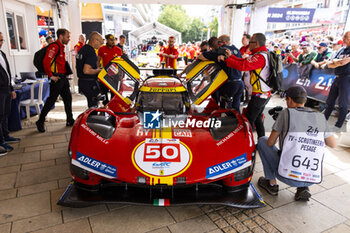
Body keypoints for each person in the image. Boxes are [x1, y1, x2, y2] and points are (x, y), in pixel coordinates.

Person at [257, 86, 337, 201]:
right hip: (311, 178)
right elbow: (333, 144)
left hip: (287, 175)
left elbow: (270, 143)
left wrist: (280, 126)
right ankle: (303, 188)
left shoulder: (286, 113)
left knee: (262, 141)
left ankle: (271, 184)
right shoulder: (319, 117)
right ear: (304, 100)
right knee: (307, 149)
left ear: (289, 99)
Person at [218, 33, 271, 138]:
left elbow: (243, 65)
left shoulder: (260, 57)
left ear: (255, 43)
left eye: (250, 42)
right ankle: (261, 142)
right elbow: (244, 61)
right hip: (262, 94)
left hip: (259, 95)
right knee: (257, 119)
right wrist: (232, 57)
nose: (248, 45)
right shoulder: (261, 54)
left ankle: (247, 145)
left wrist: (227, 60)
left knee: (249, 121)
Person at [36, 28, 74, 133]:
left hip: (62, 77)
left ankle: (69, 119)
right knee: (51, 100)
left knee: (68, 98)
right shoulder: (54, 47)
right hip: (57, 78)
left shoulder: (61, 47)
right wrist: (51, 76)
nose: (69, 39)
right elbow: (46, 62)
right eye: (67, 37)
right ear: (61, 36)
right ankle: (40, 121)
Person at [200, 35, 243, 111]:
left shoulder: (222, 51)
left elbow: (201, 56)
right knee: (236, 108)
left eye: (219, 41)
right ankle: (238, 122)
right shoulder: (237, 50)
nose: (218, 43)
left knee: (225, 108)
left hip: (229, 84)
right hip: (240, 83)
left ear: (223, 42)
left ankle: (224, 122)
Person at [324, 31, 350, 130]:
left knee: (343, 104)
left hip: (346, 78)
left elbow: (343, 62)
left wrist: (337, 62)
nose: (343, 39)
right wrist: (336, 62)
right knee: (329, 101)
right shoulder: (342, 49)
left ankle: (338, 126)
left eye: (346, 37)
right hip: (337, 76)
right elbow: (330, 63)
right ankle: (323, 120)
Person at [0, 32, 20, 155]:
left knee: (5, 114)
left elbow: (8, 72)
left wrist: (11, 89)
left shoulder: (2, 54)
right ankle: (1, 140)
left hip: (6, 89)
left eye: (2, 40)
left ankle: (6, 135)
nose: (1, 43)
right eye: (0, 40)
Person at [76, 32, 104, 108]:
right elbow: (87, 70)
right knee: (93, 107)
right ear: (95, 40)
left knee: (91, 105)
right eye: (100, 42)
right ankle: (92, 119)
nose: (101, 45)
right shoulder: (91, 52)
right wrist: (99, 70)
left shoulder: (83, 49)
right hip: (88, 82)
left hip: (82, 81)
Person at [97, 34, 122, 105]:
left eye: (113, 40)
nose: (113, 41)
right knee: (104, 92)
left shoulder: (118, 50)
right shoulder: (101, 49)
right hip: (105, 74)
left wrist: (121, 74)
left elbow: (121, 64)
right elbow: (98, 60)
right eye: (111, 40)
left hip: (115, 75)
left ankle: (112, 106)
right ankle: (105, 106)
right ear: (107, 40)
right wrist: (98, 70)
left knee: (114, 93)